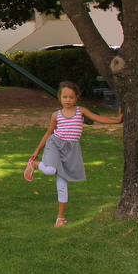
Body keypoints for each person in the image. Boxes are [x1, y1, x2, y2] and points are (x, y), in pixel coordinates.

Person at [23, 81, 123, 226]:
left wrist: (117, 121)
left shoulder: (81, 111)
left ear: (76, 98)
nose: (68, 100)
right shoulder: (56, 115)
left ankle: (60, 218)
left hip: (71, 150)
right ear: (60, 98)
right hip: (55, 144)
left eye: (71, 97)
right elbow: (49, 133)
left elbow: (99, 119)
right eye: (65, 97)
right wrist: (37, 151)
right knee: (51, 170)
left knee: (62, 185)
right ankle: (34, 165)